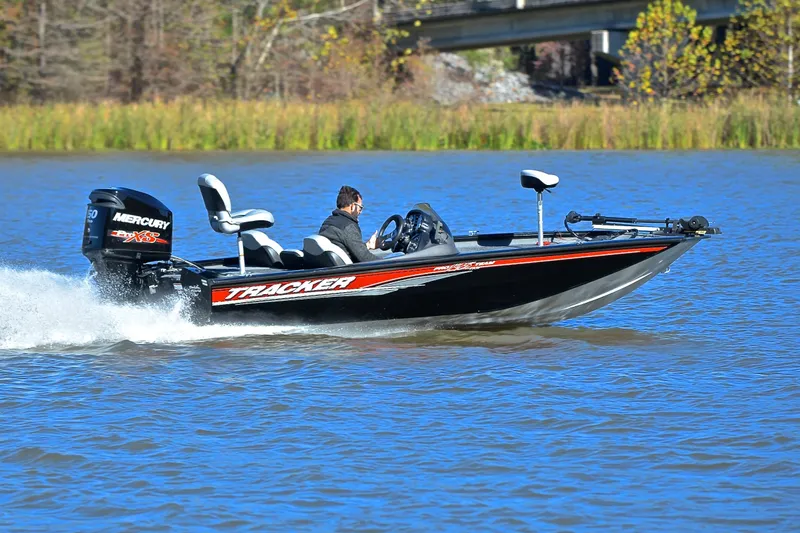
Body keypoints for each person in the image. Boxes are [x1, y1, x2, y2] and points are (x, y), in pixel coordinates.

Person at [318, 185, 379, 263]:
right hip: (345, 270)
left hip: (330, 265)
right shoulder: (348, 226)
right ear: (353, 206)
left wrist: (368, 245)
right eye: (360, 208)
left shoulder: (327, 222)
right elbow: (365, 258)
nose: (361, 211)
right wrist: (388, 263)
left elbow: (344, 245)